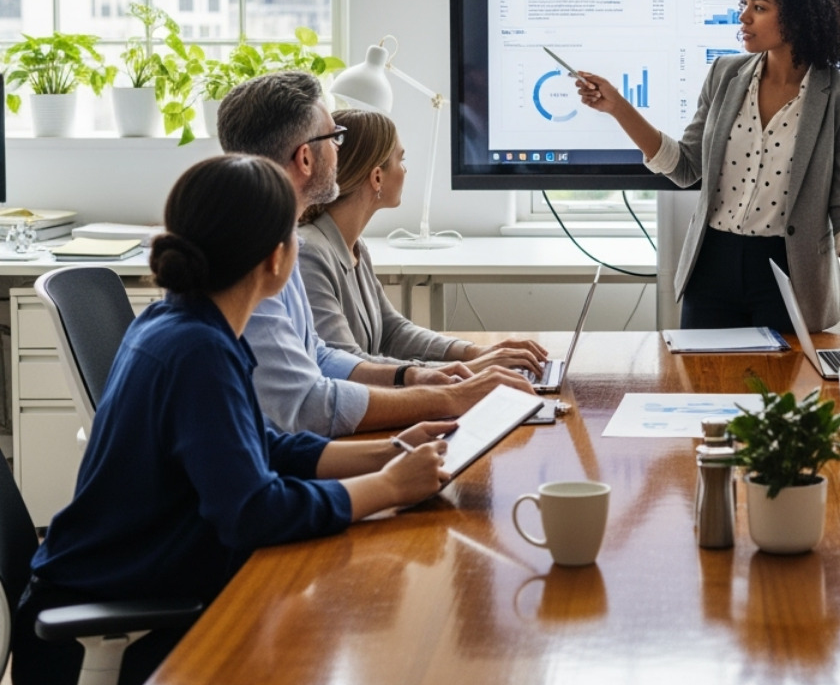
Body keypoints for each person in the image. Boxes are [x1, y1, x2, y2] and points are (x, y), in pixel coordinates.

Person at [12, 155, 453, 685]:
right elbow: (252, 510)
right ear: (277, 259)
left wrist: (388, 452)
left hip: (137, 586)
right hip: (110, 623)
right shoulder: (198, 349)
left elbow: (263, 446)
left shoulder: (187, 323)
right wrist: (386, 489)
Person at [217, 71, 535, 436]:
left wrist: (420, 375)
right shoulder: (263, 260)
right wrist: (447, 396)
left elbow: (320, 355)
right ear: (305, 159)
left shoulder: (280, 239)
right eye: (335, 137)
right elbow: (308, 406)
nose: (341, 148)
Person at [576, 0, 840, 333]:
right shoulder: (724, 74)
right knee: (704, 389)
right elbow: (685, 168)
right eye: (745, 3)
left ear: (798, 17)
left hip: (790, 274)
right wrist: (618, 107)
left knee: (778, 394)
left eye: (760, 7)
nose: (744, 16)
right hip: (711, 266)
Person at [298, 109, 547, 375]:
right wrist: (462, 369)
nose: (405, 170)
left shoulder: (355, 247)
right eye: (400, 160)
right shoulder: (310, 253)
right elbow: (347, 363)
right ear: (377, 177)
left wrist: (477, 352)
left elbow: (392, 330)